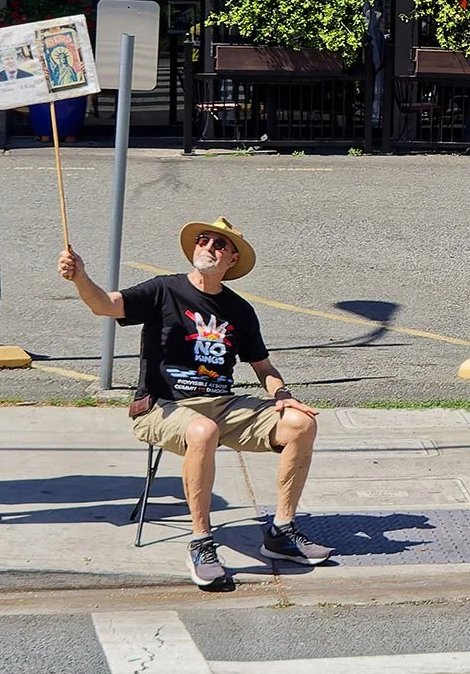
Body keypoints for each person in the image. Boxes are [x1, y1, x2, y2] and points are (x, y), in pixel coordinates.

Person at [60, 219, 333, 588]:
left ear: (232, 259)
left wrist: (282, 395)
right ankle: (202, 542)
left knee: (302, 424)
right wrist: (80, 277)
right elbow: (104, 305)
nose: (208, 246)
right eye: (203, 240)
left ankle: (281, 532)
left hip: (222, 403)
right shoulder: (163, 290)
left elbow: (264, 367)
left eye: (220, 245)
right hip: (160, 405)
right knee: (203, 432)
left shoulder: (239, 310)